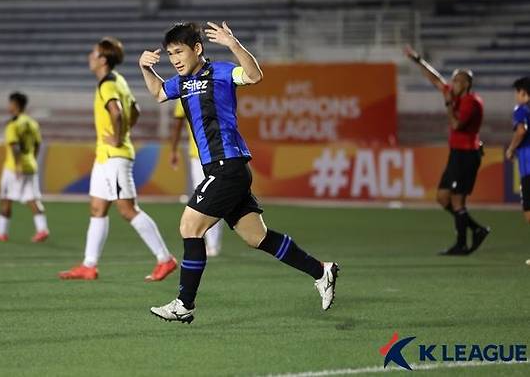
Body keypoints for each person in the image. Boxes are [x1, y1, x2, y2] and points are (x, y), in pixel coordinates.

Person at [140, 22, 339, 323]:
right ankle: (321, 271)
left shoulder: (221, 71)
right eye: (170, 54)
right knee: (256, 237)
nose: (175, 59)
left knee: (189, 227)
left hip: (227, 166)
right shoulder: (181, 82)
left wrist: (233, 43)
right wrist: (145, 68)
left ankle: (185, 304)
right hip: (223, 168)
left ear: (198, 49)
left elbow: (254, 75)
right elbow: (157, 93)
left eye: (179, 52)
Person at [59, 37, 177, 282]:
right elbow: (135, 110)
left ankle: (165, 259)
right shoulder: (118, 80)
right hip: (105, 157)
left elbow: (118, 112)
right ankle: (89, 265)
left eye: (94, 53)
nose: (90, 57)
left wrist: (118, 136)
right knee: (98, 208)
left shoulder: (107, 85)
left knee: (127, 210)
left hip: (114, 156)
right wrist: (122, 132)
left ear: (103, 59)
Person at [404, 46, 490, 255]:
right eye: (453, 80)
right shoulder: (455, 95)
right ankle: (476, 229)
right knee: (443, 197)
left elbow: (457, 124)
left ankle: (461, 244)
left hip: (467, 154)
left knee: (457, 200)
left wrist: (449, 104)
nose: (453, 84)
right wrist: (418, 61)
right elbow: (436, 80)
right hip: (456, 154)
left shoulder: (472, 102)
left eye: (458, 81)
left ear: (467, 84)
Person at [0, 92, 50, 243]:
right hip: (31, 165)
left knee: (6, 198)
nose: (8, 106)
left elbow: (14, 147)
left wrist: (17, 165)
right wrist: (31, 160)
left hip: (13, 167)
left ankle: (1, 233)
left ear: (15, 105)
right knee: (31, 198)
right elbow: (38, 144)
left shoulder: (12, 125)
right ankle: (42, 229)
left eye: (10, 103)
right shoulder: (32, 123)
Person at [171, 100, 223, 257]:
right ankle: (209, 243)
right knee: (205, 199)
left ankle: (212, 243)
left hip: (216, 154)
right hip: (198, 155)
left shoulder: (212, 88)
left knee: (211, 198)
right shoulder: (184, 91)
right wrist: (173, 149)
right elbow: (178, 124)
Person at [505, 76, 530, 266]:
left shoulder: (521, 110)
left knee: (528, 210)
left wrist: (511, 148)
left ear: (524, 93)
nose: (516, 96)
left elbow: (521, 131)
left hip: (528, 165)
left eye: (518, 92)